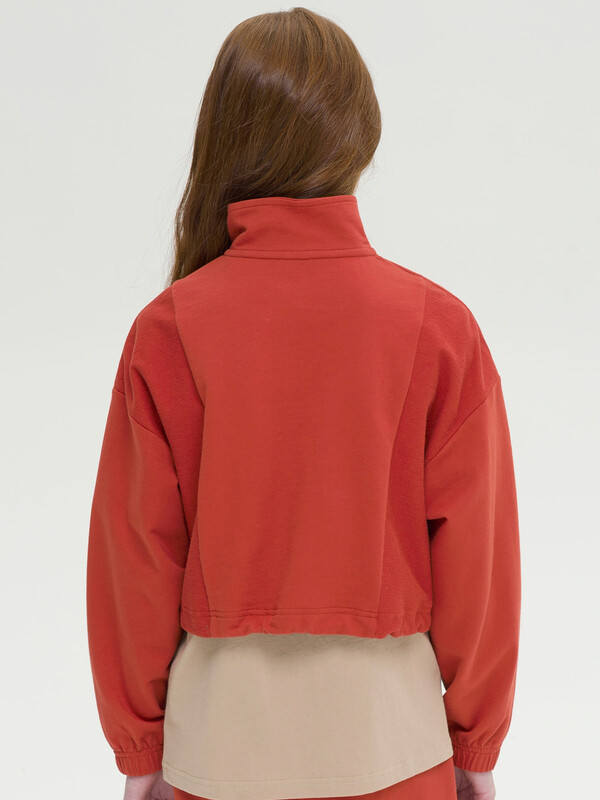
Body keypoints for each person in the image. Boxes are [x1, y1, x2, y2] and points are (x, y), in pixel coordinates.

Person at [86, 8, 521, 800]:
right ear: (360, 135)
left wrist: (140, 751)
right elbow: (478, 563)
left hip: (217, 750)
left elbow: (136, 559)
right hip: (394, 744)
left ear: (224, 137)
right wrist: (477, 744)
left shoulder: (168, 329)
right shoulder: (439, 328)